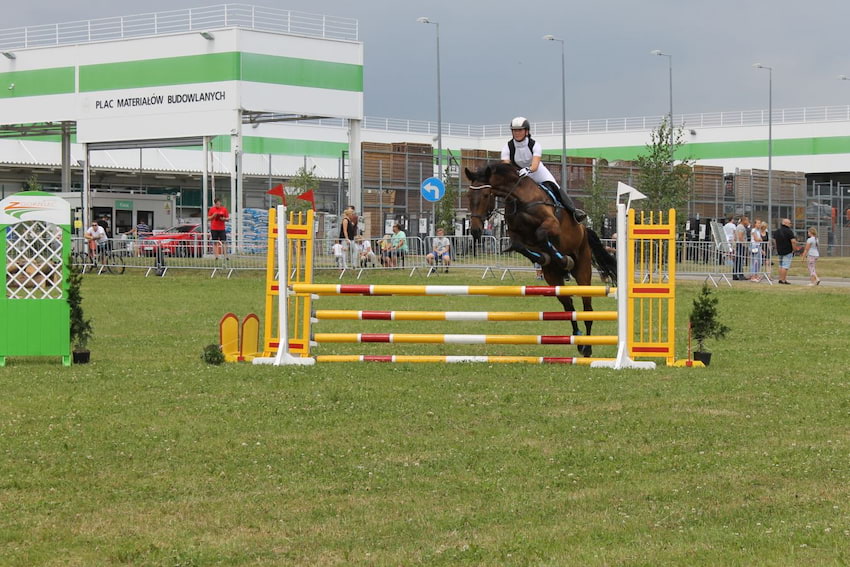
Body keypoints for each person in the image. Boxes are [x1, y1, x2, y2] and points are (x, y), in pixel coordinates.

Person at [500, 116, 586, 223]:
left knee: (555, 186)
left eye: (520, 130)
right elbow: (506, 167)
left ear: (526, 131)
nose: (517, 133)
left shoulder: (535, 145)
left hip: (537, 172)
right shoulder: (507, 148)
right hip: (518, 175)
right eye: (514, 130)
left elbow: (535, 165)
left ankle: (573, 211)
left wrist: (527, 170)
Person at [772, 218, 799, 285]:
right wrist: (794, 249)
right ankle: (783, 280)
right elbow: (793, 241)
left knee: (780, 265)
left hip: (779, 250)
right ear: (786, 223)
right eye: (789, 223)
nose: (790, 224)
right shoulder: (789, 231)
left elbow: (774, 241)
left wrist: (777, 248)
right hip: (788, 251)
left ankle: (780, 279)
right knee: (785, 266)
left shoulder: (777, 231)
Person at [733, 216, 749, 280]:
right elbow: (740, 237)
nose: (748, 222)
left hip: (739, 244)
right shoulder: (741, 227)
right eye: (747, 220)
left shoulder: (739, 226)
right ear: (744, 220)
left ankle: (735, 275)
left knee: (738, 260)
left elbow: (735, 236)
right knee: (740, 260)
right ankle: (740, 275)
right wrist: (744, 244)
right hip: (740, 245)